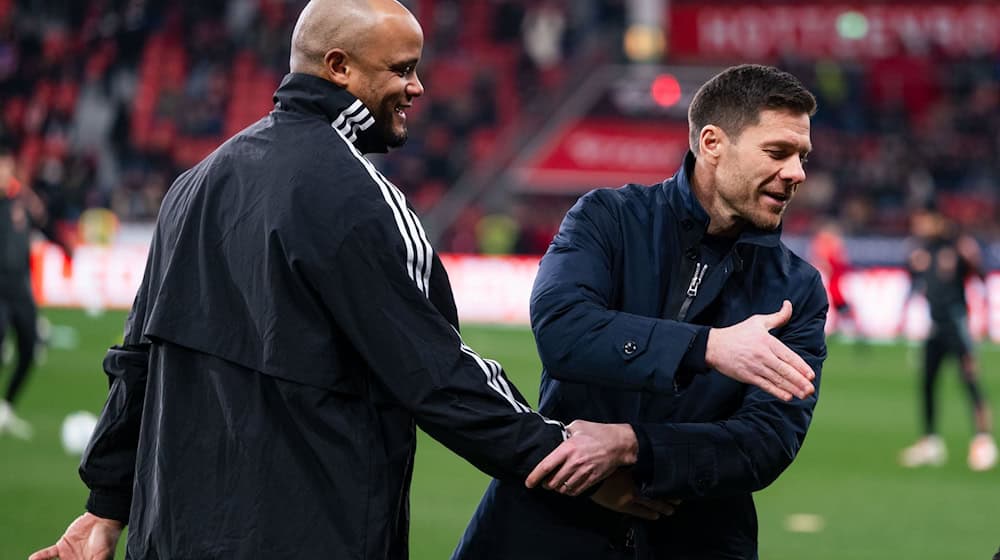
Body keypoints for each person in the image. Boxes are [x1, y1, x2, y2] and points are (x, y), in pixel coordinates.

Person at [30, 2, 666, 559]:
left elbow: (136, 360)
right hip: (312, 535)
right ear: (339, 67)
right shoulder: (359, 200)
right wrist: (564, 460)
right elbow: (442, 375)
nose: (418, 87)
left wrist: (106, 507)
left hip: (167, 537)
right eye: (402, 69)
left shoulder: (194, 184)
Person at [454, 64, 827, 559]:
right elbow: (563, 330)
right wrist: (708, 347)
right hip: (549, 526)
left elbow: (766, 443)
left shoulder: (796, 289)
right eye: (777, 152)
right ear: (712, 143)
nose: (796, 173)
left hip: (694, 540)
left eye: (801, 156)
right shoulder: (607, 219)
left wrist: (634, 446)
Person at [899, 205, 997, 471]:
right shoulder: (922, 251)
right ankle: (931, 443)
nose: (918, 226)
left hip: (956, 326)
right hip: (935, 327)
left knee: (970, 381)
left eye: (923, 221)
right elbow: (915, 281)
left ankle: (983, 442)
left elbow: (981, 275)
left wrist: (986, 318)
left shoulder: (959, 246)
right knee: (928, 383)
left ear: (937, 221)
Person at [0, 145, 59, 440]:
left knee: (30, 347)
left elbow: (44, 223)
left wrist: (66, 248)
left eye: (6, 168)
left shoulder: (20, 202)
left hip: (20, 288)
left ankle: (7, 407)